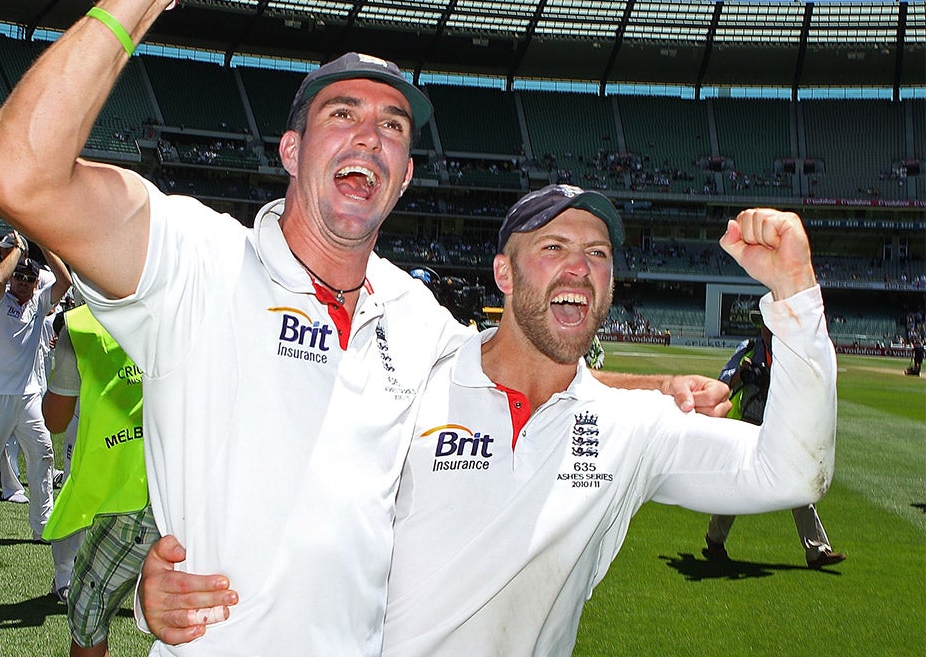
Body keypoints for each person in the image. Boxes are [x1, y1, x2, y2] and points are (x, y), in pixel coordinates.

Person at [0, 0, 725, 653]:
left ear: (401, 179)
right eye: (343, 114)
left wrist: (659, 392)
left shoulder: (414, 313)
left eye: (393, 127)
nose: (371, 133)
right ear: (292, 151)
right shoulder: (195, 258)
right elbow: (14, 172)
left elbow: (515, 370)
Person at [141, 189, 837, 657]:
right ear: (504, 274)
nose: (581, 267)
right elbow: (283, 479)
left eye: (598, 254)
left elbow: (792, 471)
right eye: (554, 247)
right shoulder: (410, 378)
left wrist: (796, 296)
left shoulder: (634, 430)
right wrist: (171, 583)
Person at [0, 232, 75, 598]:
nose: (23, 283)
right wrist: (18, 252)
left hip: (27, 397)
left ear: (37, 282)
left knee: (42, 455)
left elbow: (66, 280)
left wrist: (42, 242)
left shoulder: (40, 302)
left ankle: (43, 526)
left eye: (30, 278)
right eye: (19, 277)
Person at [40, 301, 159, 653]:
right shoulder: (178, 305)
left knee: (86, 612)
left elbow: (55, 420)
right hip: (184, 488)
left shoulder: (80, 326)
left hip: (127, 498)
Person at [702, 314, 846, 569]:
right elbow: (723, 380)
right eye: (771, 325)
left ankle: (817, 550)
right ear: (763, 326)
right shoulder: (749, 348)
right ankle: (714, 540)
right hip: (749, 422)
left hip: (780, 425)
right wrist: (742, 374)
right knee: (738, 485)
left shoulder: (790, 353)